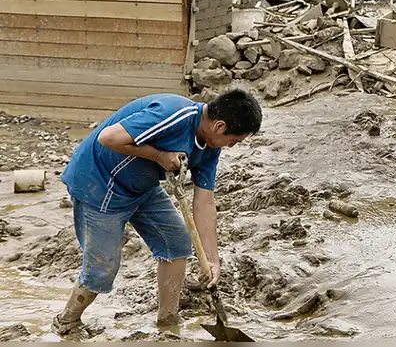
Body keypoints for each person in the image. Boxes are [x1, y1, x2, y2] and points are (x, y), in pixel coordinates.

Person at [53, 88, 263, 334]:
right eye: (234, 141)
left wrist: (212, 260)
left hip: (141, 187)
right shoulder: (173, 115)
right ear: (219, 126)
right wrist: (158, 155)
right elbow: (108, 137)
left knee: (176, 243)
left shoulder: (210, 148)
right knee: (103, 268)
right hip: (99, 184)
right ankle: (66, 322)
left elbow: (204, 202)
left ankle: (168, 321)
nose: (232, 146)